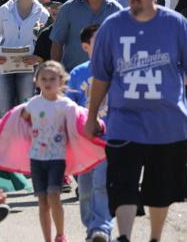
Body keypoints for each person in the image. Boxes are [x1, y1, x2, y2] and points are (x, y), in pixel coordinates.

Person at [84, 0, 187, 242]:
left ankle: (155, 237)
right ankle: (124, 236)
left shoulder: (175, 24)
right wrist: (92, 115)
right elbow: (101, 76)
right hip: (124, 121)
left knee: (161, 188)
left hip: (167, 123)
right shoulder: (112, 26)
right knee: (123, 184)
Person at [65, 24, 113, 242]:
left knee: (101, 185)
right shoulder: (78, 73)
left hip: (110, 138)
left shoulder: (117, 69)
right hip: (84, 141)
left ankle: (102, 229)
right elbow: (69, 106)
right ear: (86, 46)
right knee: (85, 189)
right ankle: (92, 229)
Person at [22, 61, 77, 242]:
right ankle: (47, 239)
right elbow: (21, 119)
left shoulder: (66, 105)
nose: (47, 82)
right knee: (42, 201)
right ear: (36, 81)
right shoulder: (32, 104)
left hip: (57, 158)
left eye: (52, 78)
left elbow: (77, 126)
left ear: (61, 82)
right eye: (43, 78)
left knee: (54, 196)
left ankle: (60, 235)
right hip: (36, 157)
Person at [0, 0, 48, 111]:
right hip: (4, 64)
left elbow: (44, 42)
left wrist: (37, 58)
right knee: (6, 110)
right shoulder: (5, 10)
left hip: (28, 66)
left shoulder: (43, 14)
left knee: (26, 110)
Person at [50, 0, 122, 72]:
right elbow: (57, 42)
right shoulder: (68, 8)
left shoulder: (116, 10)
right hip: (73, 76)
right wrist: (56, 73)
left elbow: (121, 45)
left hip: (106, 76)